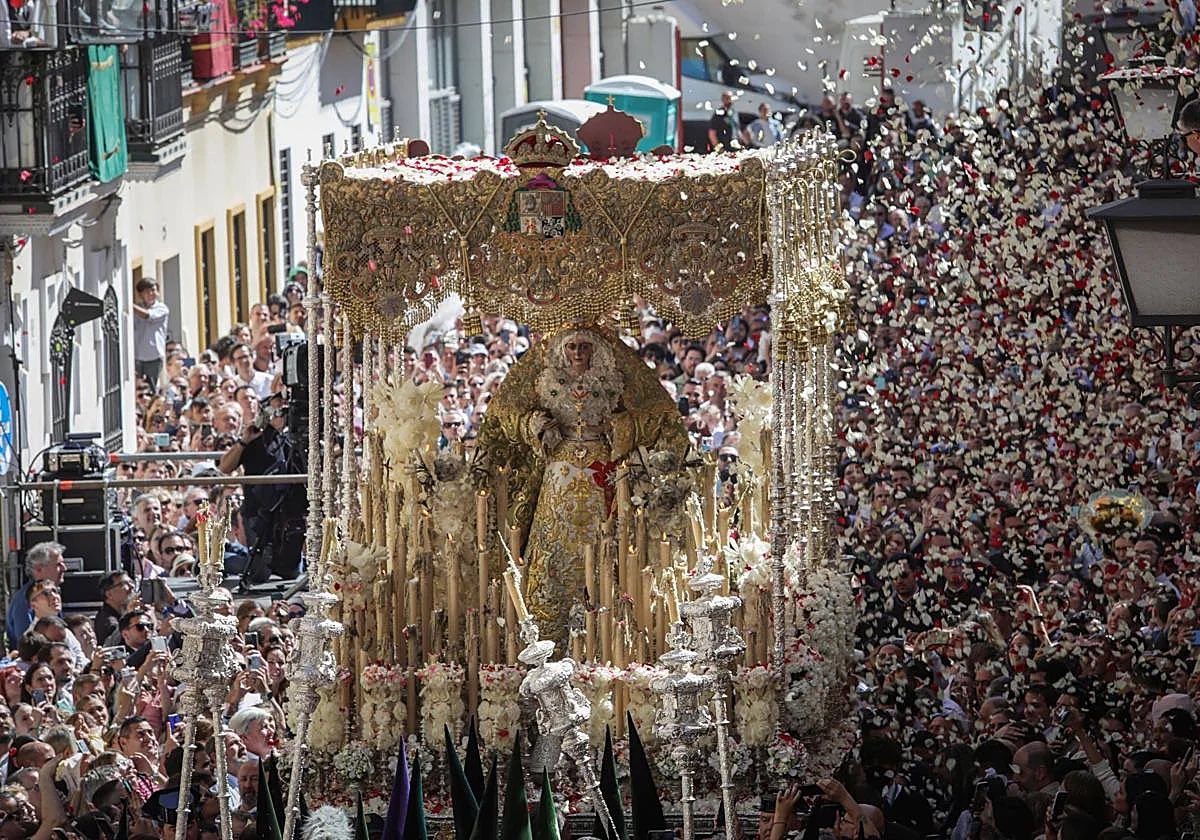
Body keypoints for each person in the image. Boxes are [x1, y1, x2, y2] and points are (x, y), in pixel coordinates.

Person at [6, 541, 65, 647]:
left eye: (55, 592)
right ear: (38, 569)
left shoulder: (52, 598)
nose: (64, 568)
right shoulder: (23, 601)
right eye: (58, 565)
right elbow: (25, 644)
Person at [132, 277, 170, 388]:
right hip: (137, 356)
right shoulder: (137, 308)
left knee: (150, 388)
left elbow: (147, 315)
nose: (151, 294)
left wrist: (129, 305)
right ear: (140, 294)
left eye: (153, 290)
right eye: (147, 292)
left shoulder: (161, 308)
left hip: (153, 357)